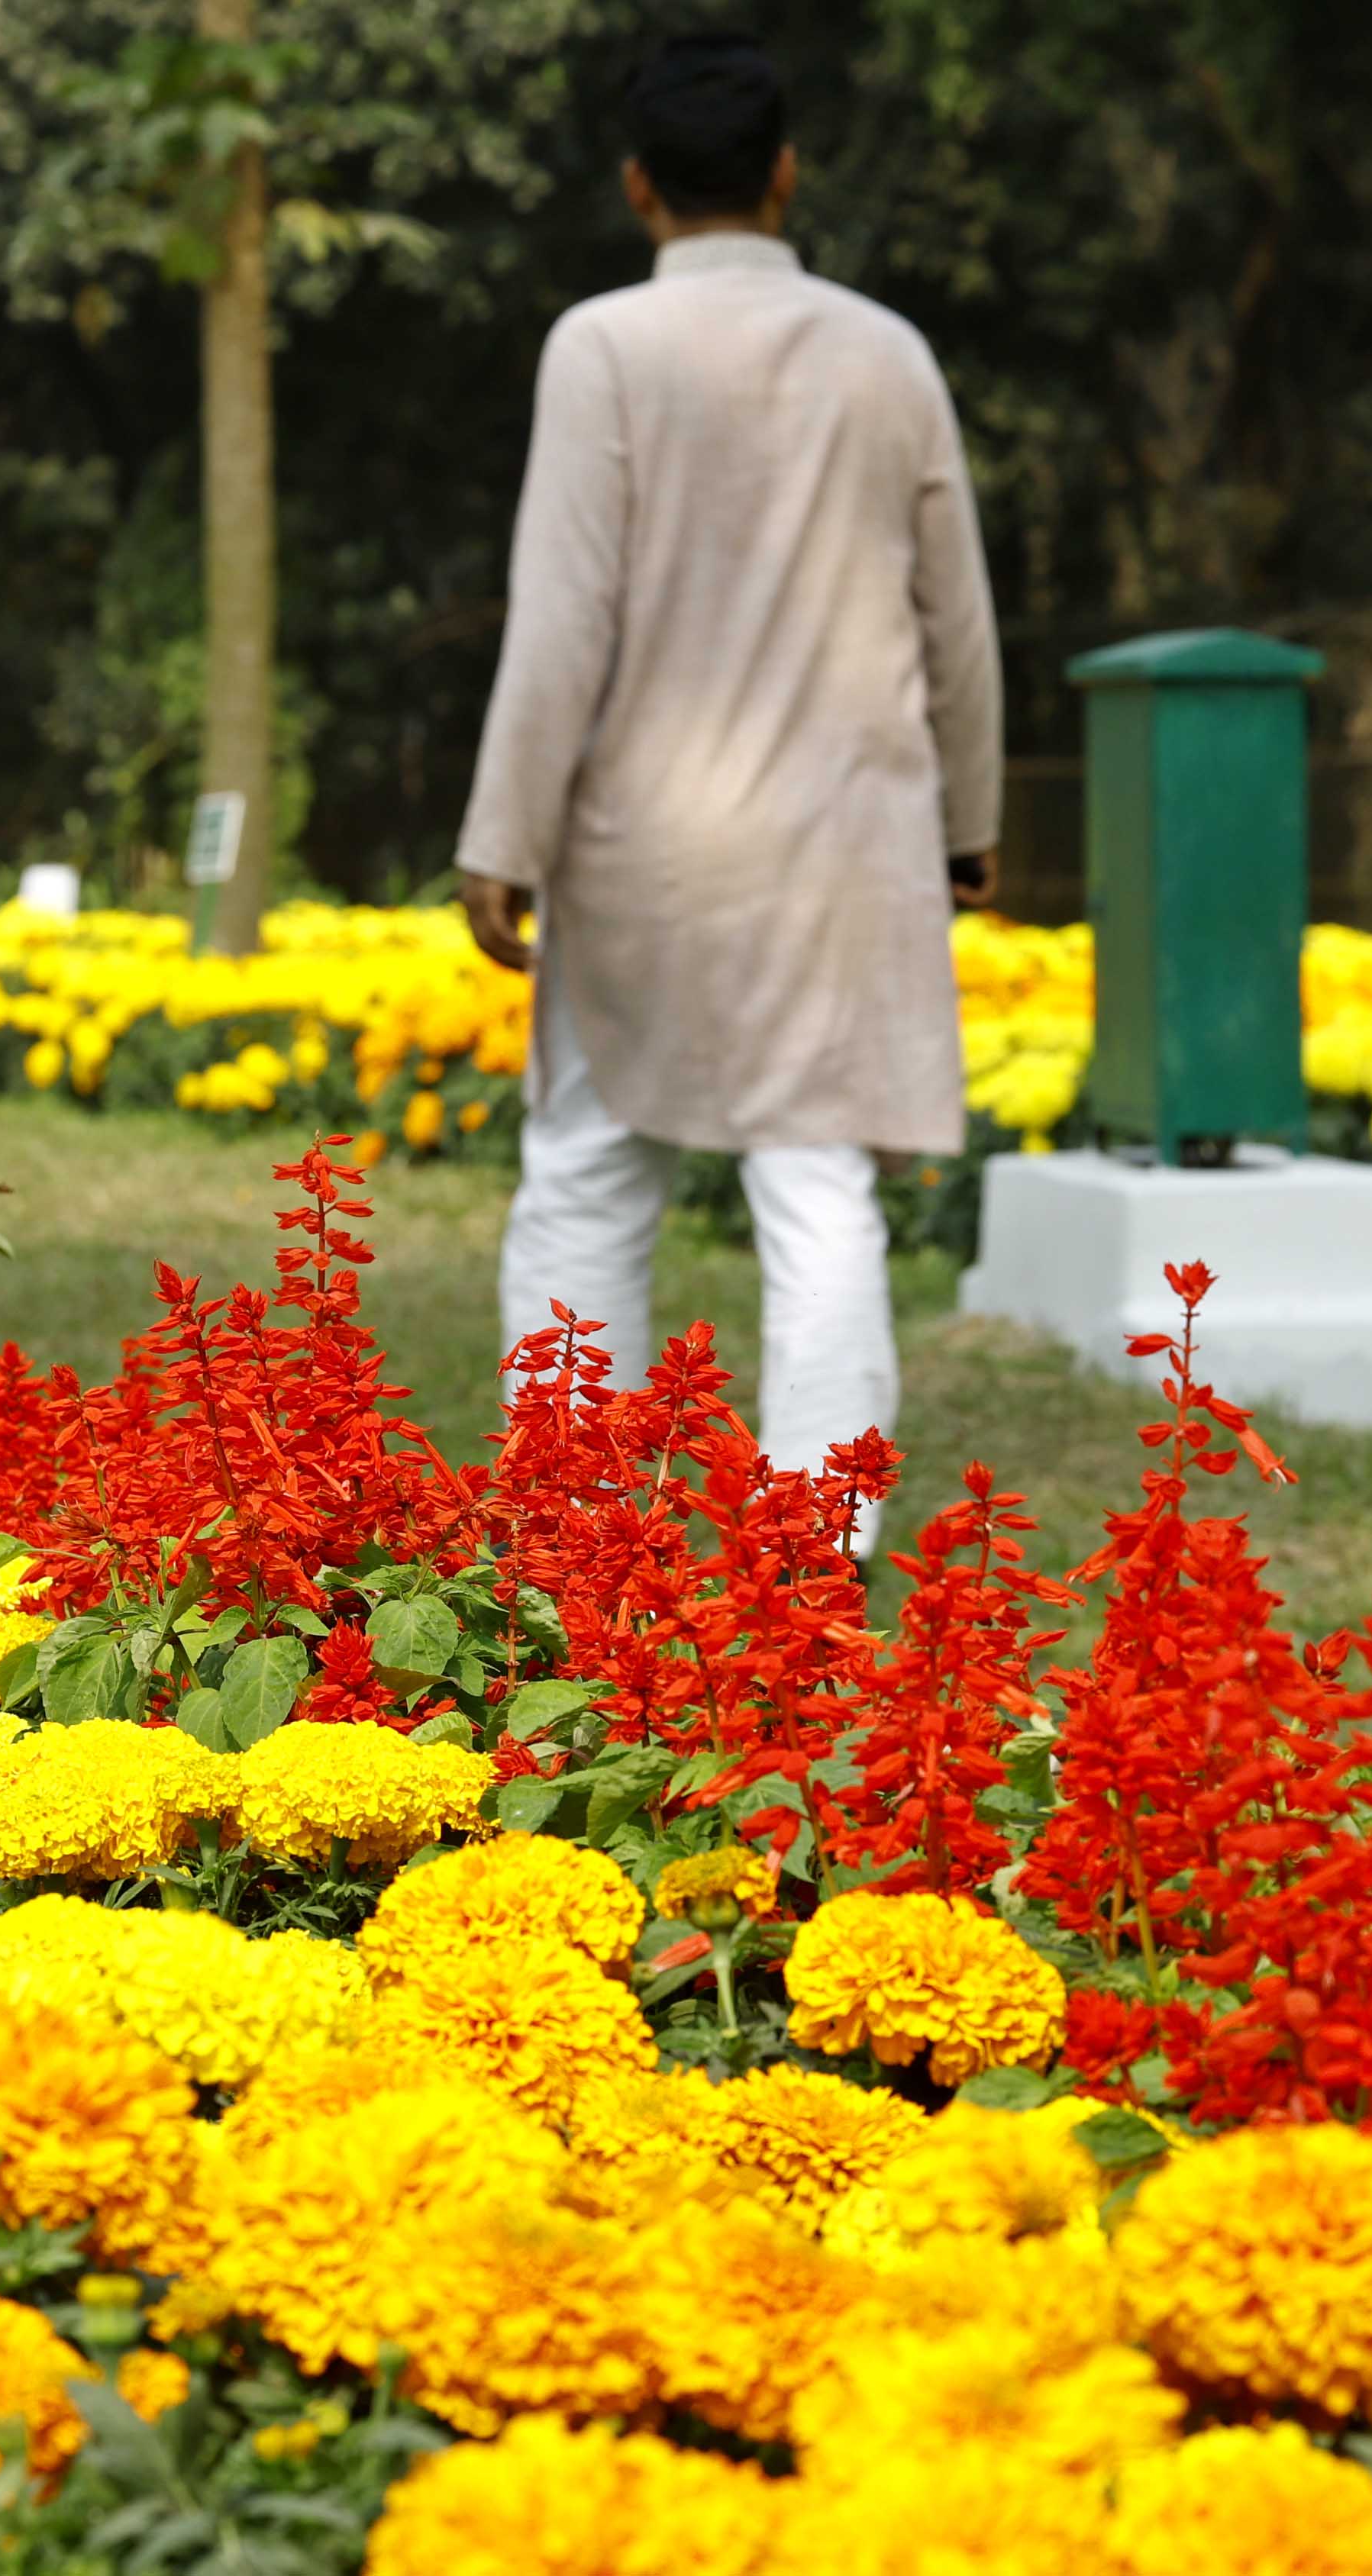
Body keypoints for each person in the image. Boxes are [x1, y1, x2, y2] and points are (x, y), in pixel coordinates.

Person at [454, 32, 1002, 1536]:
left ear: (638, 188)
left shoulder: (604, 349)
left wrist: (503, 833)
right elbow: (956, 617)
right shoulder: (888, 353)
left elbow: (564, 615)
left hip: (648, 840)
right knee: (818, 1185)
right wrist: (971, 824)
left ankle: (575, 1530)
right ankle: (819, 1557)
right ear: (785, 174)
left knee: (585, 1169)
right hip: (844, 848)